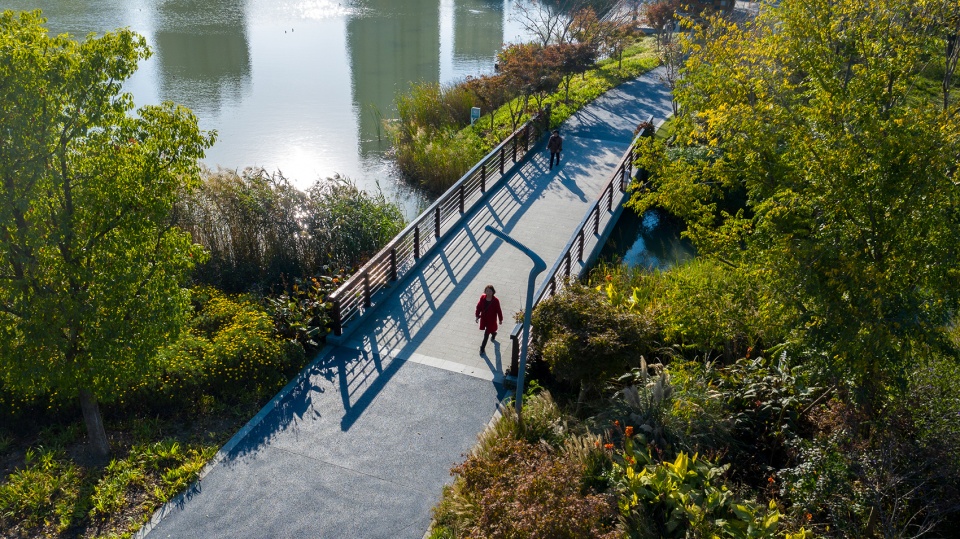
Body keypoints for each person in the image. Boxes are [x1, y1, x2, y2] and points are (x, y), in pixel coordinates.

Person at [475, 284, 503, 355]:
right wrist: (477, 315)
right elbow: (478, 307)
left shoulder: (496, 301)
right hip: (484, 319)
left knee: (486, 334)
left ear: (493, 292)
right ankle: (494, 333)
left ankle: (482, 348)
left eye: (490, 291)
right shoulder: (482, 298)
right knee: (490, 331)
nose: (488, 292)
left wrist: (500, 319)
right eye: (487, 291)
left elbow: (498, 310)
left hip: (491, 320)